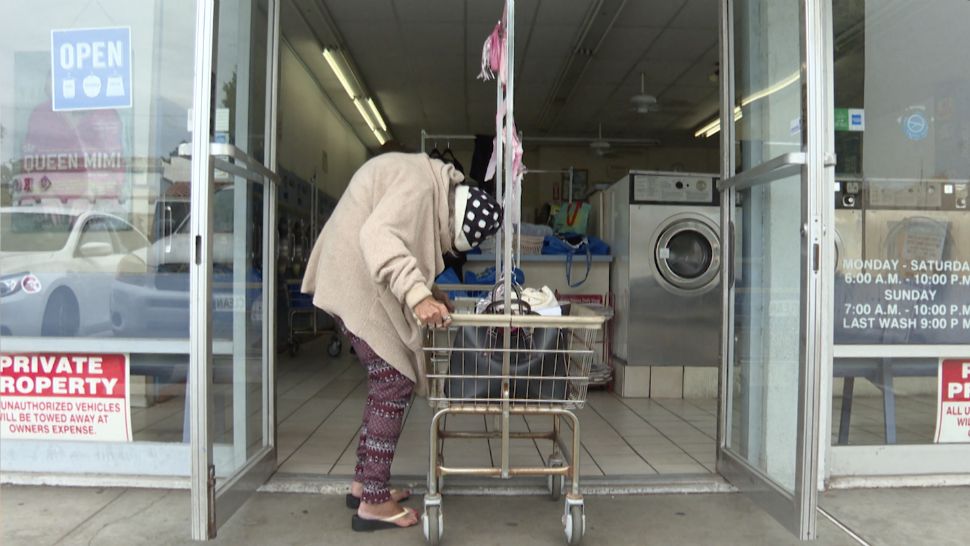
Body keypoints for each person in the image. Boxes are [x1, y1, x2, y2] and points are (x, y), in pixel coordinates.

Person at [302, 152, 502, 531]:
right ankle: (373, 502)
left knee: (385, 383)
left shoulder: (426, 180)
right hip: (353, 281)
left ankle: (366, 485)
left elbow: (403, 238)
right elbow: (379, 235)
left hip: (351, 275)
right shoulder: (420, 185)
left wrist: (429, 290)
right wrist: (417, 295)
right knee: (394, 382)